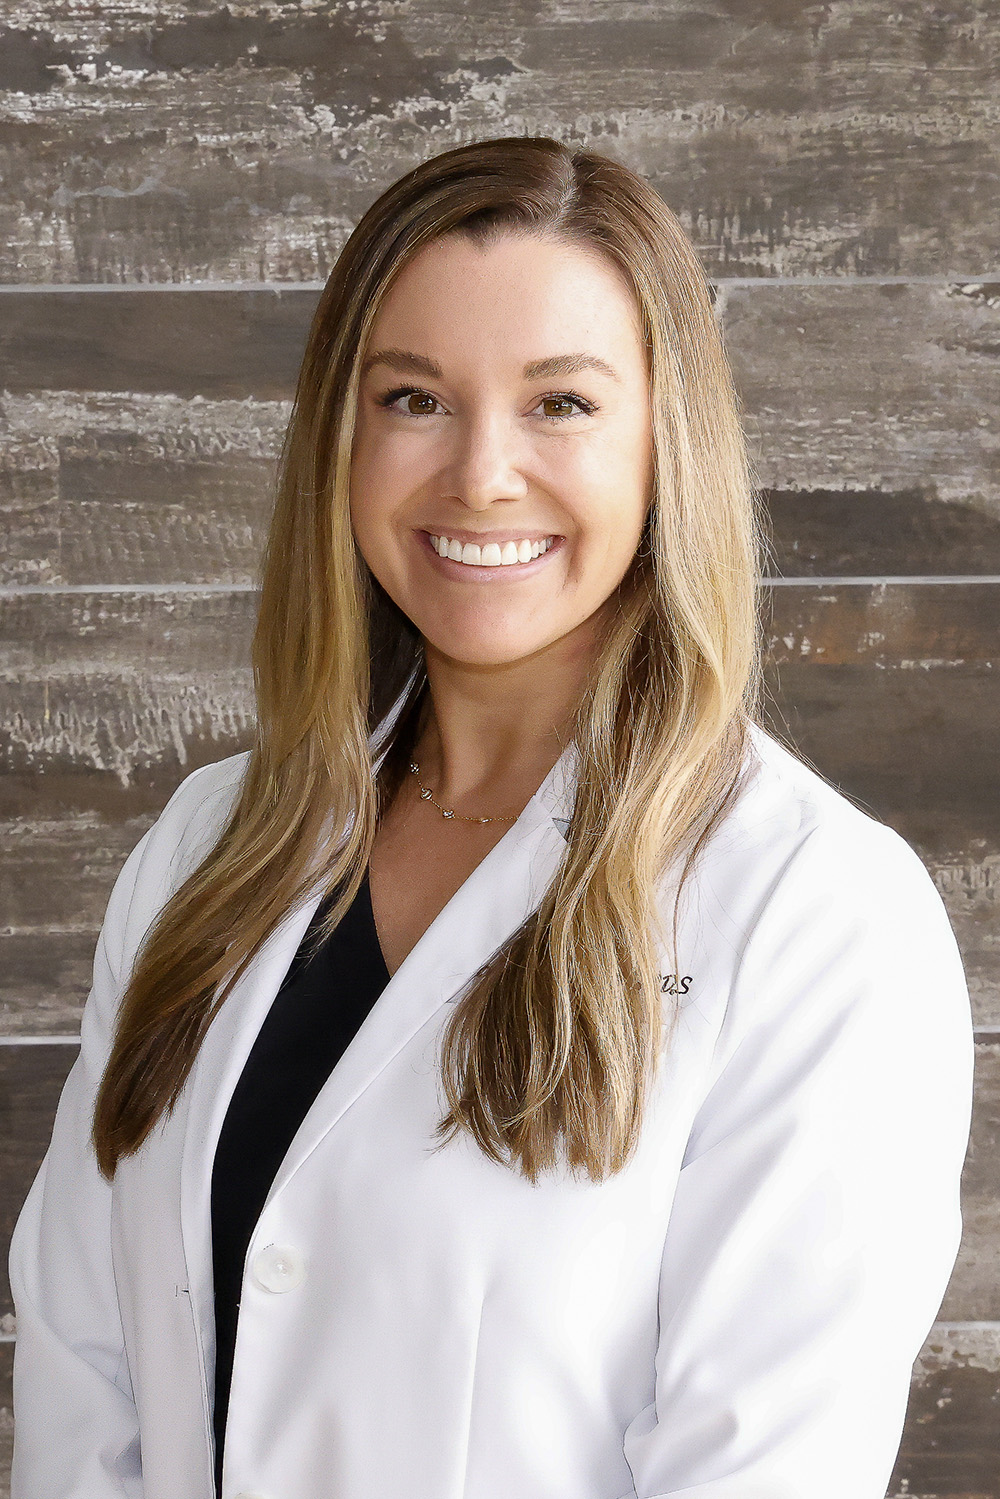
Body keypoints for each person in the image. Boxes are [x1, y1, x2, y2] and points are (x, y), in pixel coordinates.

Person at [9, 136, 974, 1499]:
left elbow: (758, 1467)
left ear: (666, 444)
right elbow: (84, 1382)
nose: (479, 475)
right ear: (342, 437)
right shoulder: (206, 846)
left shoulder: (815, 916)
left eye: (560, 404)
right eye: (414, 398)